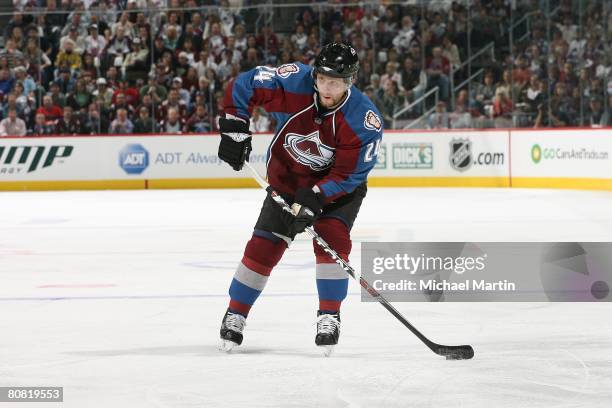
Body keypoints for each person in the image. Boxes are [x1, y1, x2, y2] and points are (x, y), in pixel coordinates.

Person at [217, 43, 383, 354]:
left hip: (336, 191)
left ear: (351, 81)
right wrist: (235, 126)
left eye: (335, 82)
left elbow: (350, 175)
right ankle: (235, 313)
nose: (326, 87)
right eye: (322, 79)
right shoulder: (295, 82)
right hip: (289, 182)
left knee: (332, 241)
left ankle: (329, 315)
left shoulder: (364, 120)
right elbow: (243, 85)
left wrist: (318, 196)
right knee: (263, 247)